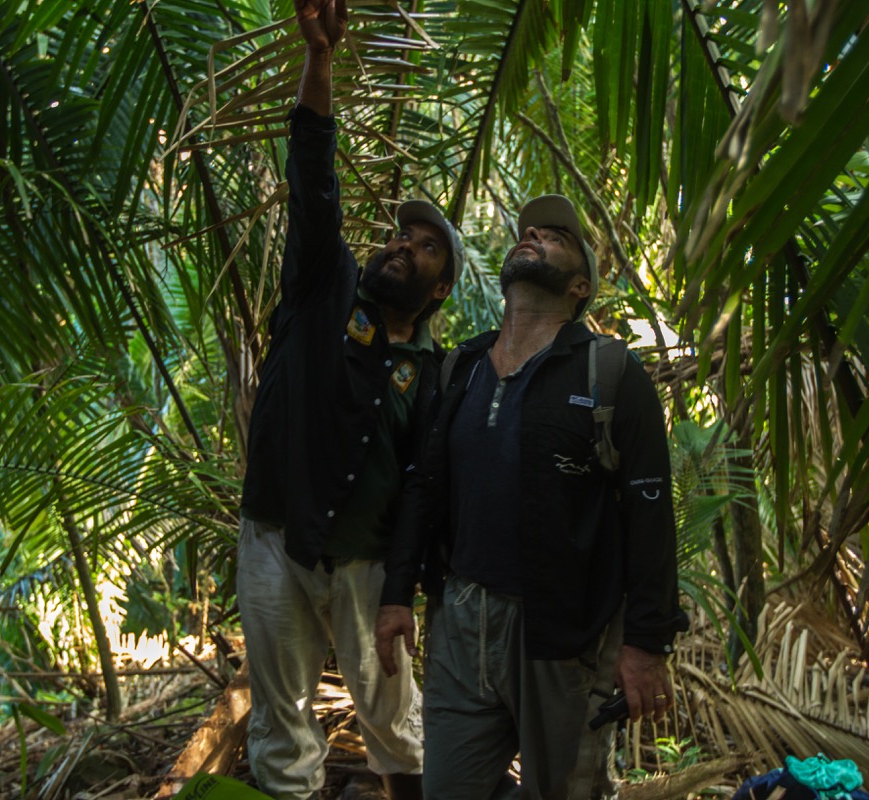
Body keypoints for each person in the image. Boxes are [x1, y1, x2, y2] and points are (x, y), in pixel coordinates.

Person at [375, 195, 684, 799]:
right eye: (530, 230)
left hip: (562, 636)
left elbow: (651, 515)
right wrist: (395, 595)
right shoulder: (459, 366)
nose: (534, 235)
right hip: (461, 621)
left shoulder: (610, 371)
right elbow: (425, 488)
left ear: (579, 286)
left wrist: (647, 646)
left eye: (555, 238)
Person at [236, 0, 465, 797]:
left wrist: (400, 591)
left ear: (438, 291)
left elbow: (422, 493)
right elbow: (312, 176)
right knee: (280, 726)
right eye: (402, 231)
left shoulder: (435, 375)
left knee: (394, 725)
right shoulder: (321, 286)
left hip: (366, 570)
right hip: (272, 538)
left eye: (426, 244)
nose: (403, 242)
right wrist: (320, 63)